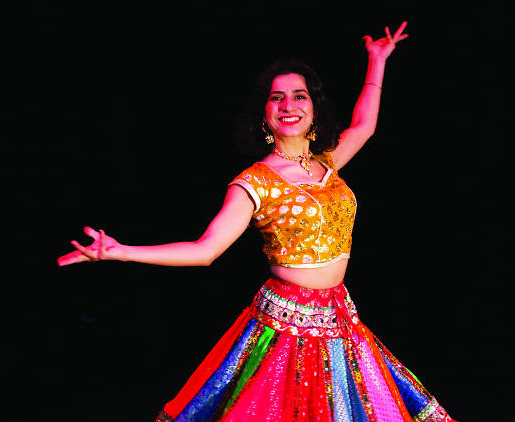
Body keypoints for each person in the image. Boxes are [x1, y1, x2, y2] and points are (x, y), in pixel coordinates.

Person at [58, 22, 458, 422]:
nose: (289, 105)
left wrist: (377, 61)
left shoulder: (328, 161)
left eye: (300, 96)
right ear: (264, 115)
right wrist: (119, 252)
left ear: (314, 108)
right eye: (277, 98)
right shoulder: (255, 181)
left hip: (339, 316)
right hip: (283, 327)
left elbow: (365, 126)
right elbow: (205, 250)